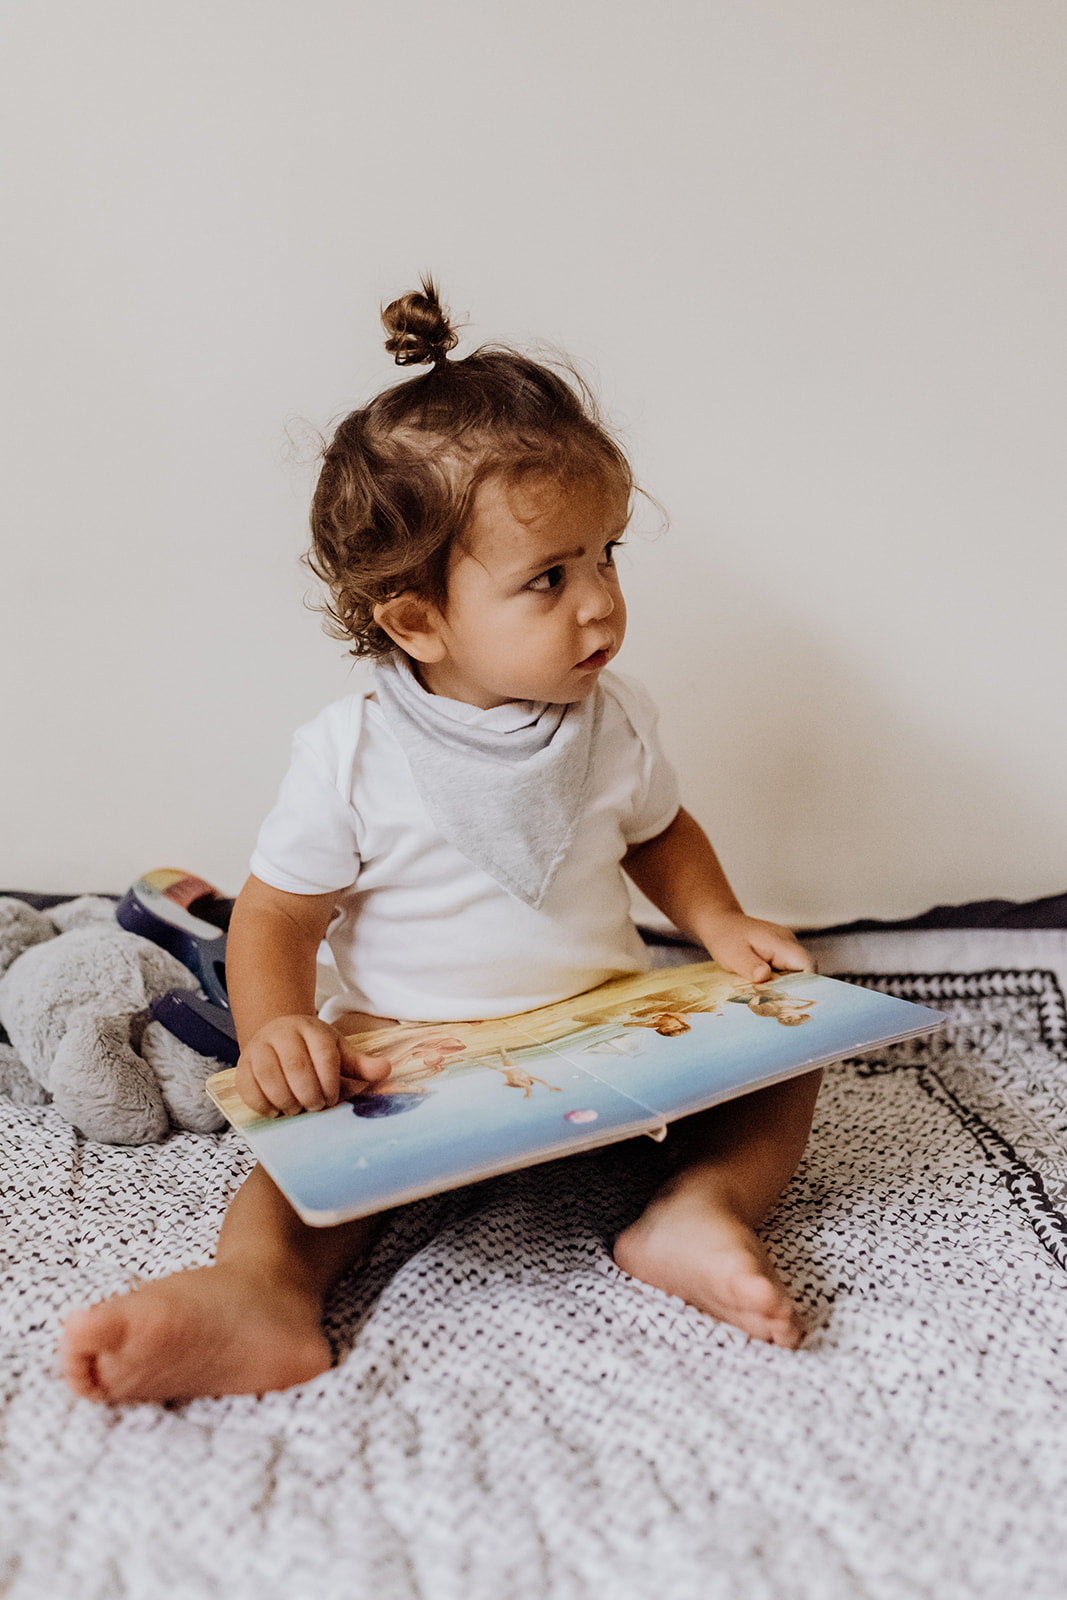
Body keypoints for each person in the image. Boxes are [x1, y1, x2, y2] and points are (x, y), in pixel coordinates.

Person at [62, 281, 820, 1406]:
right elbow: (278, 912)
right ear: (415, 618)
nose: (600, 605)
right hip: (412, 1063)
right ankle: (260, 1290)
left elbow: (658, 832)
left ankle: (691, 1207)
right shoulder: (353, 753)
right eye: (548, 579)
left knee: (785, 1058)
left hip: (601, 1041)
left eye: (606, 556)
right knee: (298, 1156)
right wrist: (278, 1030)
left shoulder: (612, 717)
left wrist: (717, 921)